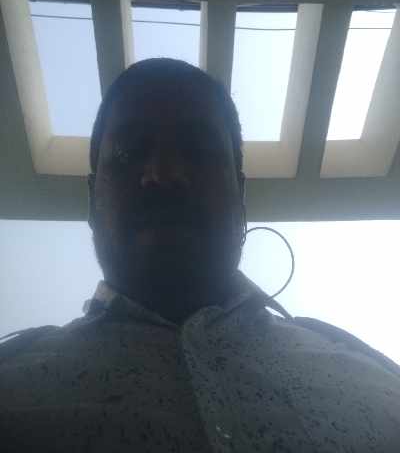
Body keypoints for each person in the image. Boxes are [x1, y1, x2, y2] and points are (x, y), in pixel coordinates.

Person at [0, 58, 399, 452]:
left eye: (200, 151)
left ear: (241, 195)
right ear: (92, 200)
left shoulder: (372, 368)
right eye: (128, 152)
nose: (164, 174)